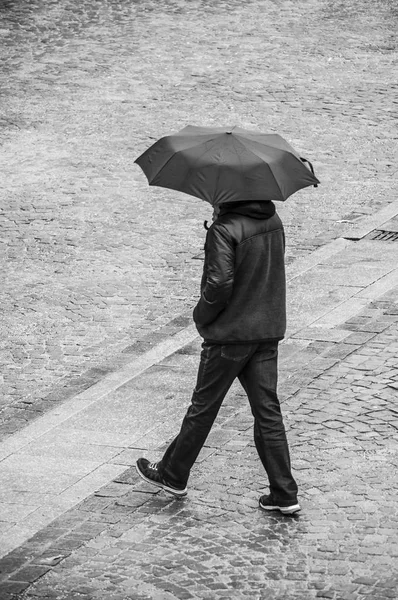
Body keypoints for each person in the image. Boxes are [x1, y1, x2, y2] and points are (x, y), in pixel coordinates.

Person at [136, 200, 300, 515]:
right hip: (266, 331)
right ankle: (284, 492)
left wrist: (201, 316)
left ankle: (173, 474)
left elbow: (219, 284)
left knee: (203, 408)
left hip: (229, 334)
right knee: (268, 412)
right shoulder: (273, 220)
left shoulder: (224, 230)